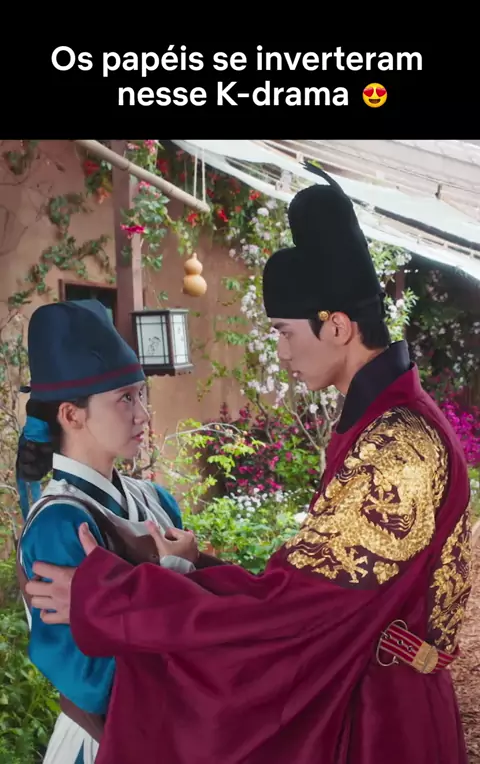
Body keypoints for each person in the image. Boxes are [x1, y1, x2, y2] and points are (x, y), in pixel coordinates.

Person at [25, 178, 473, 764]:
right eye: (124, 399)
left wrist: (110, 600)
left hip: (384, 715)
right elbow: (303, 592)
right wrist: (193, 570)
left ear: (337, 327)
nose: (281, 354)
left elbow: (288, 613)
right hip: (373, 688)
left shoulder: (396, 447)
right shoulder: (384, 427)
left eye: (285, 332)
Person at [16, 299, 199, 764]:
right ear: (71, 415)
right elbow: (92, 682)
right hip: (108, 741)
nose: (143, 414)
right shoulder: (59, 524)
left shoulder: (156, 501)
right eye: (125, 399)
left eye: (141, 395)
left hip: (175, 728)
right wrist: (179, 583)